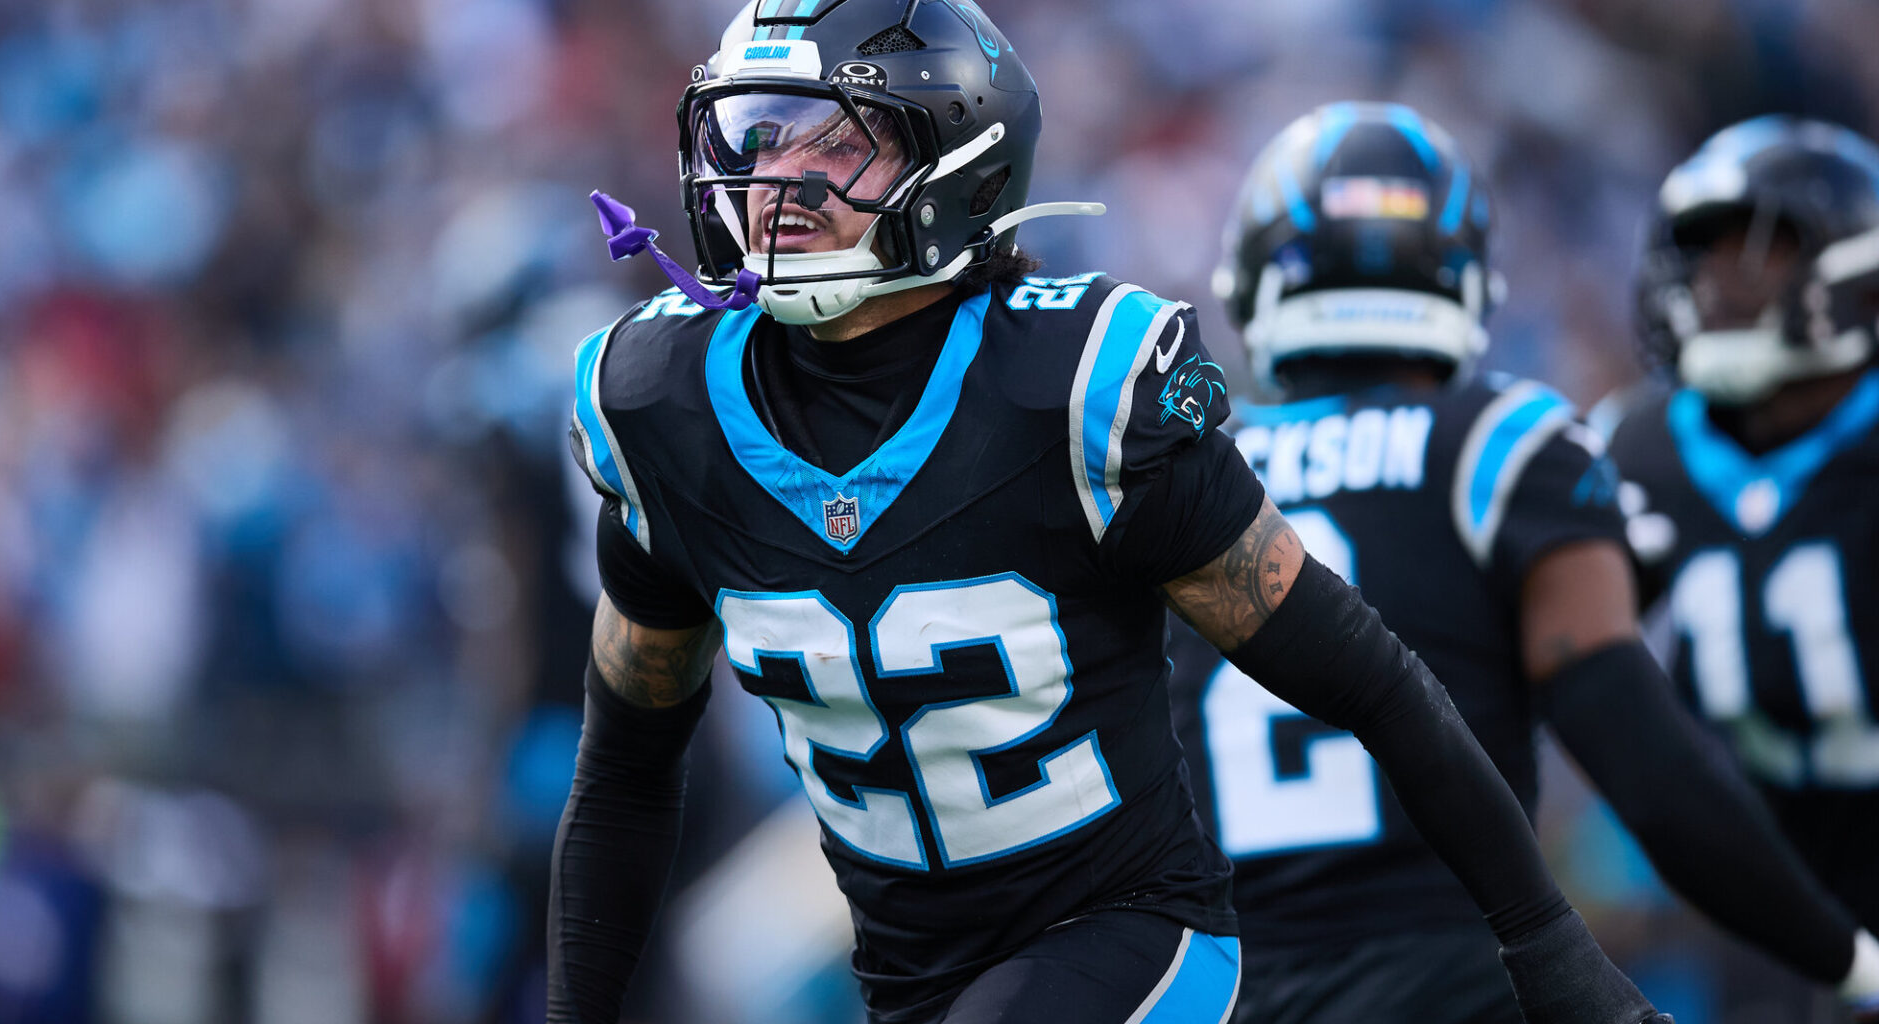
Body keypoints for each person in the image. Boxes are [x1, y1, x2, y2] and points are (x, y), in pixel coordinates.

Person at [548, 4, 1670, 1023]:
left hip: (1134, 940)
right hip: (908, 980)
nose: (774, 179)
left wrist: (1553, 953)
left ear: (956, 155)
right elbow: (626, 769)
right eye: (755, 137)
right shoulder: (664, 409)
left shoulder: (1070, 391)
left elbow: (1369, 678)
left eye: (832, 141)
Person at [1165, 102, 1879, 1024]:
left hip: (1232, 988)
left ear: (1255, 281)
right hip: (1459, 973)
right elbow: (1637, 754)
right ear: (1463, 276)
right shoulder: (1502, 443)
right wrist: (1848, 960)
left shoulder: (1193, 475)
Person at [1609, 115, 1879, 944]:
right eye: (1707, 250)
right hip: (1752, 888)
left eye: (1762, 248)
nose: (1718, 281)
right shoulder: (1638, 447)